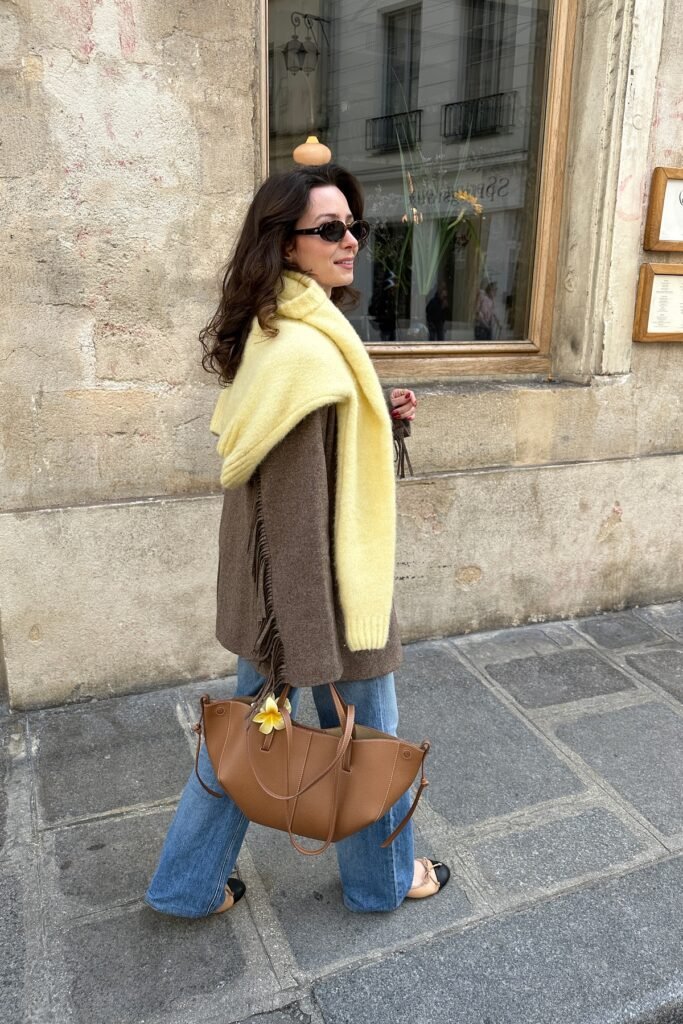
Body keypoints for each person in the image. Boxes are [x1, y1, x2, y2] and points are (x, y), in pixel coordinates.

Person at [145, 163, 450, 918]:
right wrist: (305, 653)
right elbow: (290, 508)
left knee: (246, 742)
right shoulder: (309, 352)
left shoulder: (278, 329)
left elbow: (309, 455)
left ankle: (185, 888)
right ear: (285, 245)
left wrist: (374, 410)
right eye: (330, 229)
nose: (350, 240)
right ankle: (382, 882)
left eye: (353, 226)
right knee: (367, 741)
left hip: (276, 596)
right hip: (320, 598)